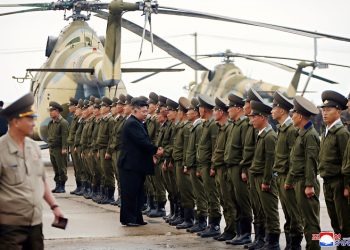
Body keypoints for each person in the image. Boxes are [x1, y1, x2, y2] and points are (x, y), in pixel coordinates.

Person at [0, 93, 64, 250]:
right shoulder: (1, 149)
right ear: (15, 121)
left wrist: (55, 207)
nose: (33, 124)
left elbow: (41, 180)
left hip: (35, 224)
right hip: (10, 228)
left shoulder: (34, 147)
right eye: (29, 119)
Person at [118, 97, 163, 226]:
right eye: (143, 111)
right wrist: (155, 150)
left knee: (138, 193)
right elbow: (142, 142)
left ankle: (137, 218)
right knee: (130, 193)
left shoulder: (138, 122)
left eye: (146, 111)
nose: (146, 114)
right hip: (129, 166)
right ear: (135, 111)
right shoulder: (132, 123)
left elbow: (144, 141)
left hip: (136, 165)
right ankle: (129, 219)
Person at [285, 96, 321, 250]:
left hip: (306, 184)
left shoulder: (310, 135)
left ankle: (314, 247)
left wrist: (309, 185)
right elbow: (296, 161)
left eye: (293, 114)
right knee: (306, 221)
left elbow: (311, 163)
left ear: (299, 116)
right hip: (299, 182)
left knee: (311, 223)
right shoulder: (301, 133)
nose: (291, 117)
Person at [271, 91, 303, 249]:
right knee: (288, 213)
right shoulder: (282, 128)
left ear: (282, 111)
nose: (271, 111)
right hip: (281, 176)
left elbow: (294, 158)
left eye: (274, 108)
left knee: (293, 214)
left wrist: (289, 180)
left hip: (288, 179)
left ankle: (295, 244)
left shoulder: (290, 129)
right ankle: (290, 243)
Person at [248, 100, 281, 250]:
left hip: (264, 178)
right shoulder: (261, 134)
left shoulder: (269, 136)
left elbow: (270, 161)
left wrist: (267, 181)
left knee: (270, 211)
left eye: (254, 117)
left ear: (262, 117)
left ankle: (273, 242)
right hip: (256, 177)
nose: (251, 119)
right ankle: (261, 239)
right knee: (259, 211)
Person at [318, 90, 350, 242]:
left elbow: (346, 161)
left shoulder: (341, 133)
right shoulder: (326, 132)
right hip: (328, 183)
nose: (324, 113)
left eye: (328, 110)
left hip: (339, 183)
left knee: (345, 224)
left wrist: (347, 186)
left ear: (338, 111)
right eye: (323, 110)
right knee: (335, 224)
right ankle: (340, 246)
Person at [47, 101, 69, 193]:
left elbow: (65, 136)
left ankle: (62, 186)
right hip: (52, 149)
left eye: (52, 110)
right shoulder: (51, 123)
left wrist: (64, 148)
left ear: (57, 111)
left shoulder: (63, 122)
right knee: (55, 168)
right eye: (50, 111)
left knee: (61, 168)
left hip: (60, 149)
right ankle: (57, 185)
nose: (50, 112)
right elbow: (49, 135)